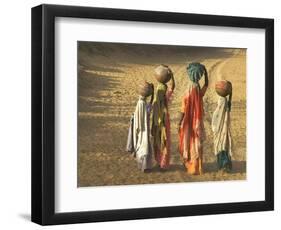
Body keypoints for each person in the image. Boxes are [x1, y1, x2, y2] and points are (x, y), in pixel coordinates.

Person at [178, 63, 208, 175]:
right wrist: (206, 73)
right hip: (197, 122)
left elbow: (183, 109)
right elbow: (206, 85)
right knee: (198, 143)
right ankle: (199, 167)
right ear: (199, 76)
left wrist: (179, 122)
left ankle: (192, 165)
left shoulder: (188, 91)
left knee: (189, 141)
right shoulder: (198, 90)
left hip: (188, 122)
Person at [152, 65, 175, 169]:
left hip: (157, 122)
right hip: (164, 122)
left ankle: (158, 161)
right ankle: (163, 163)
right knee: (164, 142)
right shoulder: (166, 97)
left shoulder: (156, 99)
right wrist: (172, 75)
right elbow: (172, 86)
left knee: (158, 141)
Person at [132, 83, 154, 172]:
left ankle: (143, 166)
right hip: (143, 129)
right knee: (144, 147)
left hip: (142, 129)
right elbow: (146, 115)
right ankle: (145, 167)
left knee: (142, 146)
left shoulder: (141, 102)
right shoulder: (142, 104)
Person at [212, 82, 232, 172]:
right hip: (224, 128)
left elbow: (216, 116)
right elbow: (229, 106)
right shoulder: (227, 103)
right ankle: (225, 165)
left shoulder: (221, 101)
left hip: (220, 129)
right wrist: (231, 93)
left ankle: (223, 166)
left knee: (220, 146)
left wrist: (214, 126)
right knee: (224, 145)